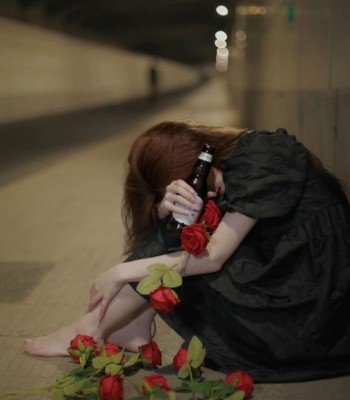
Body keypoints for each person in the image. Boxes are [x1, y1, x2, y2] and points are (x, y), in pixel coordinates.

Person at [25, 120, 350, 383]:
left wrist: (119, 271)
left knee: (189, 252)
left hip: (308, 313)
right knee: (180, 231)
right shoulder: (233, 164)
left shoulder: (261, 157)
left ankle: (91, 329)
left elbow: (215, 257)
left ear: (202, 160)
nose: (207, 193)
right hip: (297, 282)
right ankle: (128, 324)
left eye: (199, 182)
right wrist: (168, 210)